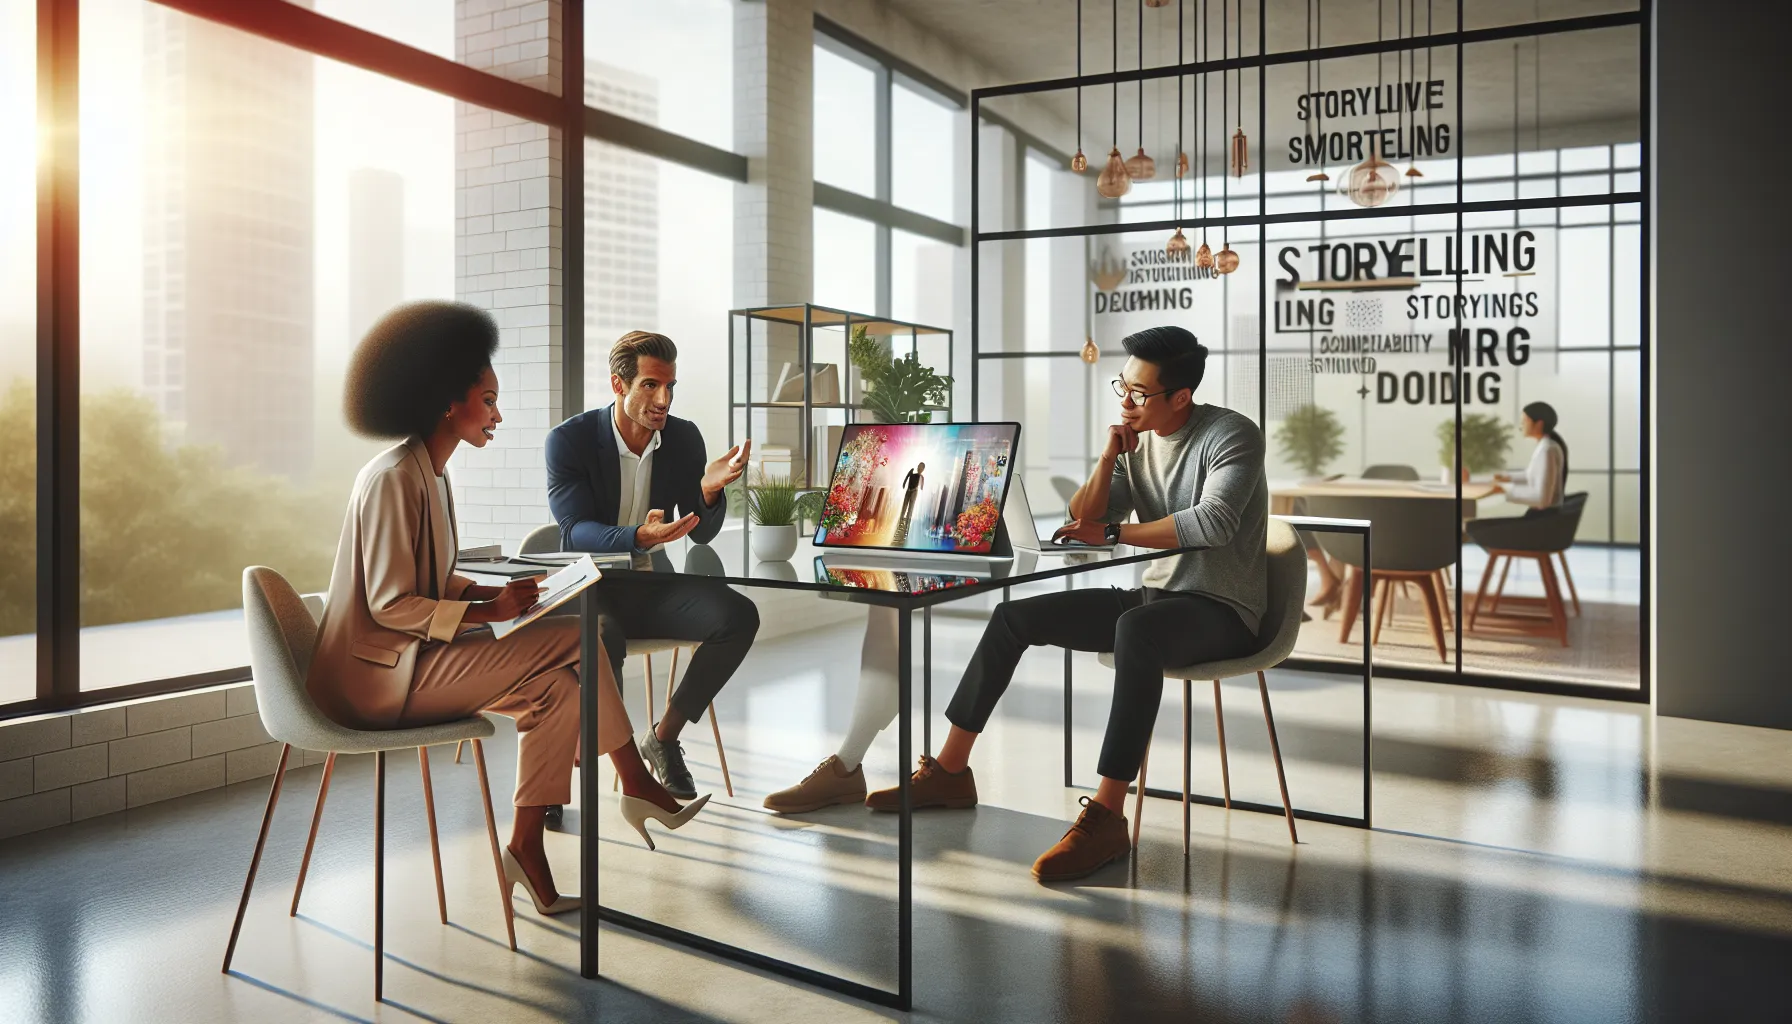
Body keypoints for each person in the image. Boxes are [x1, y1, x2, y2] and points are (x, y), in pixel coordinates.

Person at [308, 302, 706, 918]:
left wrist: (486, 595)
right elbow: (389, 603)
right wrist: (490, 611)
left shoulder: (432, 474)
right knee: (578, 631)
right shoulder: (393, 478)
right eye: (488, 400)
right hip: (378, 679)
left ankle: (525, 848)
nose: (498, 414)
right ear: (448, 401)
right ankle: (636, 780)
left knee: (561, 692)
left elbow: (432, 580)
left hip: (417, 660)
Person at [867, 326, 1268, 882]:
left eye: (1140, 394)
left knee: (1137, 631)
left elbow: (1215, 523)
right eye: (1121, 387)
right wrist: (1108, 458)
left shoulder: (1231, 435)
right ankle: (950, 771)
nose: (1126, 402)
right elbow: (1086, 517)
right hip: (1157, 598)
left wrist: (1115, 531)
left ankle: (1107, 817)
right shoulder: (1137, 436)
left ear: (1181, 396)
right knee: (1014, 617)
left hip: (1223, 610)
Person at [545, 331, 758, 800]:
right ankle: (554, 781)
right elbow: (575, 526)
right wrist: (637, 537)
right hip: (588, 587)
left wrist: (708, 492)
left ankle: (663, 739)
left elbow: (700, 531)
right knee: (603, 638)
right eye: (649, 385)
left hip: (649, 587)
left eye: (670, 387)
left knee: (739, 616)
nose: (663, 399)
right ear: (618, 385)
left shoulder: (682, 438)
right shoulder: (569, 441)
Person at [1489, 401, 1568, 510]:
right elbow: (1531, 476)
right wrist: (1507, 478)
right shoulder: (1546, 445)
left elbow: (1542, 500)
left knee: (1474, 525)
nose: (1521, 426)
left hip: (1541, 519)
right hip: (1542, 517)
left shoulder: (1547, 450)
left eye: (1524, 421)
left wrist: (1504, 489)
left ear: (1539, 424)